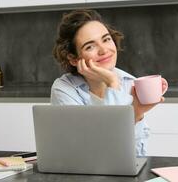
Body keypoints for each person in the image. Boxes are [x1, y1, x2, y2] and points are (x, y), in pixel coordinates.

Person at [50, 9, 168, 156]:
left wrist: (137, 114)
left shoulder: (129, 83)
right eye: (90, 46)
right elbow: (97, 153)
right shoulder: (65, 89)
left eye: (106, 39)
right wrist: (112, 82)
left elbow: (137, 156)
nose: (104, 50)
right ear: (74, 59)